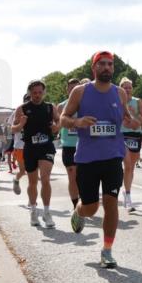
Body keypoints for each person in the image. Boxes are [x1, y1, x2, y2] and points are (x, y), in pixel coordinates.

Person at [62, 51, 134, 269]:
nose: (106, 68)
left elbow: (127, 117)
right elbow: (63, 119)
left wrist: (133, 121)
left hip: (113, 156)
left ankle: (107, 251)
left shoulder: (120, 93)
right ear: (94, 68)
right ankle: (79, 211)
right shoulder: (80, 91)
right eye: (102, 64)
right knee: (92, 208)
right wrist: (79, 121)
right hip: (87, 159)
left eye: (110, 64)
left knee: (111, 204)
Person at [11, 81, 59, 228]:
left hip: (46, 147)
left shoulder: (50, 108)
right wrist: (21, 125)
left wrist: (56, 127)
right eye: (34, 93)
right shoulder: (22, 109)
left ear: (44, 92)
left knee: (45, 178)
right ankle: (33, 210)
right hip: (30, 148)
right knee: (33, 182)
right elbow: (13, 129)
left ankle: (46, 212)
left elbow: (59, 121)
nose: (37, 95)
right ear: (30, 93)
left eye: (40, 92)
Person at [120, 77, 142, 212]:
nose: (127, 89)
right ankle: (129, 197)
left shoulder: (137, 102)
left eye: (129, 87)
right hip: (122, 135)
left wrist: (134, 114)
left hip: (136, 135)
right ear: (121, 89)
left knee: (130, 167)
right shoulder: (117, 102)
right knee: (127, 164)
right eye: (125, 87)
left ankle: (127, 191)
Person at [58, 79, 82, 208]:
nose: (73, 90)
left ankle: (84, 200)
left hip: (84, 145)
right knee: (72, 175)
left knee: (83, 177)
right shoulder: (62, 106)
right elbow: (57, 124)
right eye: (71, 88)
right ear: (67, 90)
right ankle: (75, 205)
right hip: (69, 145)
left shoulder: (87, 105)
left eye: (76, 88)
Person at [8, 96, 28, 188]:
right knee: (23, 171)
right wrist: (21, 123)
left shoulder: (38, 110)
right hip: (20, 145)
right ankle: (16, 179)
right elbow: (11, 129)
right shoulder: (17, 111)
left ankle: (33, 198)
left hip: (34, 145)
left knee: (34, 171)